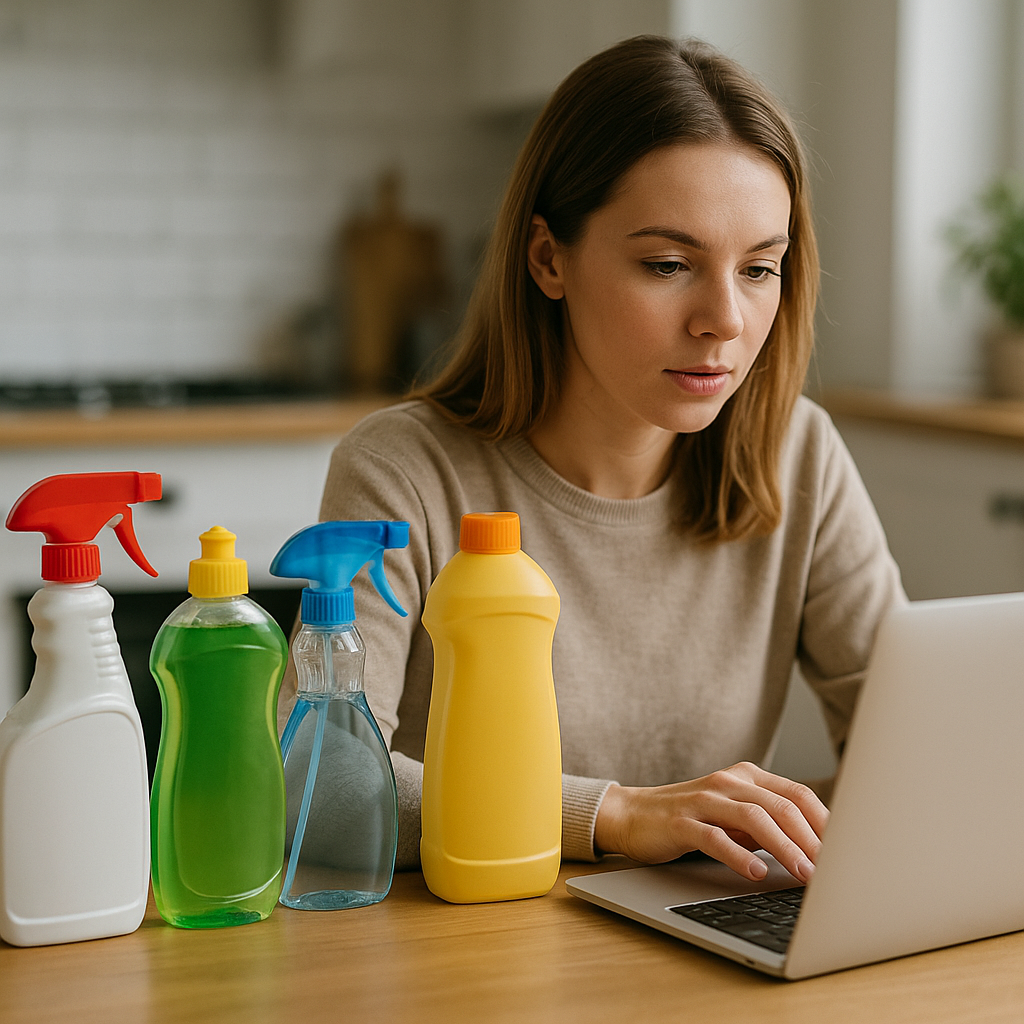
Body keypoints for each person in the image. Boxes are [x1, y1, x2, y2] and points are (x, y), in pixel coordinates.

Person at [278, 35, 904, 884]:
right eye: (668, 264)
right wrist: (619, 815)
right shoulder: (405, 471)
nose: (724, 318)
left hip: (698, 939)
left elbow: (907, 735)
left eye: (760, 268)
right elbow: (320, 786)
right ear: (548, 259)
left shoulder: (798, 454)